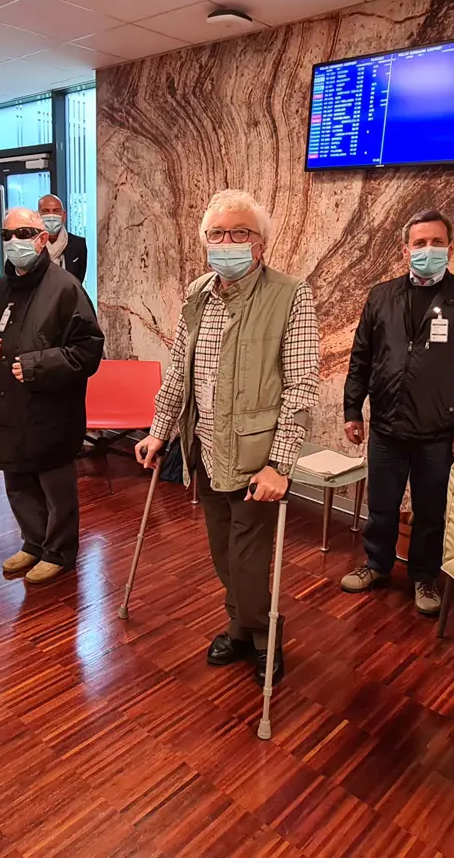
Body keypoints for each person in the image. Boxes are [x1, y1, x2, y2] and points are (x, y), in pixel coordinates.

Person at [135, 189, 319, 686]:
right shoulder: (198, 292)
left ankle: (263, 633)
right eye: (217, 234)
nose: (228, 242)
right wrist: (158, 432)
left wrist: (280, 464)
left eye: (241, 233)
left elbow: (301, 385)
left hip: (258, 458)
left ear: (261, 244)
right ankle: (240, 626)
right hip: (206, 449)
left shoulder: (290, 294)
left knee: (248, 558)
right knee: (223, 553)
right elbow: (179, 370)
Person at [340, 209, 454, 615]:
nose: (428, 250)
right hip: (386, 429)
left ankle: (424, 577)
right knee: (381, 505)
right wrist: (352, 409)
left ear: (450, 247)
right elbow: (361, 357)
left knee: (431, 511)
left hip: (439, 432)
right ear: (405, 249)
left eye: (436, 242)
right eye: (419, 243)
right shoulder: (381, 296)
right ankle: (376, 564)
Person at [0, 207, 104, 585]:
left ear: (42, 239)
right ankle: (33, 542)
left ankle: (58, 551)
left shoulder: (65, 289)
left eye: (24, 233)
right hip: (9, 407)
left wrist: (36, 365)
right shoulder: (0, 289)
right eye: (7, 235)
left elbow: (88, 351)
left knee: (54, 487)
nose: (14, 242)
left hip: (51, 411)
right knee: (18, 481)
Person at [37, 194, 88, 284]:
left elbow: (78, 282)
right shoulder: (30, 244)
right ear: (38, 216)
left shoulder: (78, 244)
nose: (51, 216)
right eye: (46, 211)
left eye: (56, 211)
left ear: (63, 216)